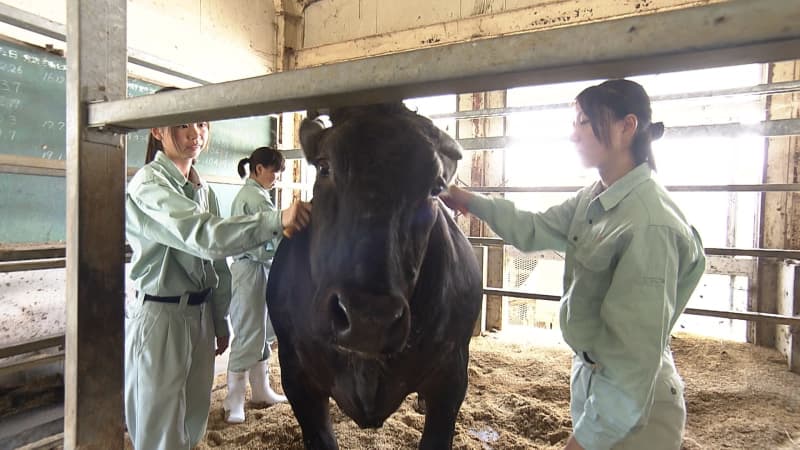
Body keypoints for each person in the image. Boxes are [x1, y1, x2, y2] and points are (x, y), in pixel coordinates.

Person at [441, 79, 706, 450]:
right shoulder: (595, 199)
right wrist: (465, 200)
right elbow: (533, 228)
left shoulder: (649, 224)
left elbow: (632, 362)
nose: (574, 135)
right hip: (595, 382)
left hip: (633, 410)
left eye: (584, 122)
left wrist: (583, 441)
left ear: (627, 126)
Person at [124, 88, 311, 450]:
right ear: (156, 130)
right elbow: (203, 237)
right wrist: (277, 219)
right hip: (162, 315)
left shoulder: (200, 187)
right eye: (182, 124)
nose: (195, 133)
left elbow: (214, 263)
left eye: (201, 123)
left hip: (197, 314)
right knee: (160, 427)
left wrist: (219, 316)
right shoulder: (149, 184)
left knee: (194, 418)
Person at [223, 146, 288, 424]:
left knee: (262, 330)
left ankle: (261, 390)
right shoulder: (251, 197)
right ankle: (232, 400)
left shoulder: (258, 195)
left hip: (262, 266)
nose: (277, 177)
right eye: (275, 170)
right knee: (249, 329)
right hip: (250, 267)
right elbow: (262, 237)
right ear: (259, 169)